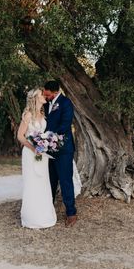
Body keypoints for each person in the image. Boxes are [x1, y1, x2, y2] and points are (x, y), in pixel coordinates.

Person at [17, 89, 57, 229]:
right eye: (41, 94)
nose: (44, 96)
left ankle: (44, 216)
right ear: (35, 98)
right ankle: (31, 218)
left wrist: (47, 143)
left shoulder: (42, 113)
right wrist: (34, 148)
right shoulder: (28, 115)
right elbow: (20, 136)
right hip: (30, 153)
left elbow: (44, 134)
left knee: (43, 182)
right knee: (32, 182)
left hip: (42, 154)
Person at [43, 79, 79, 227]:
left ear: (55, 92)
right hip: (48, 150)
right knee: (50, 181)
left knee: (65, 181)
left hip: (63, 149)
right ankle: (48, 211)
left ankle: (71, 213)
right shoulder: (45, 104)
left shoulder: (66, 103)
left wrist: (47, 138)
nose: (45, 96)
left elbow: (64, 125)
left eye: (47, 93)